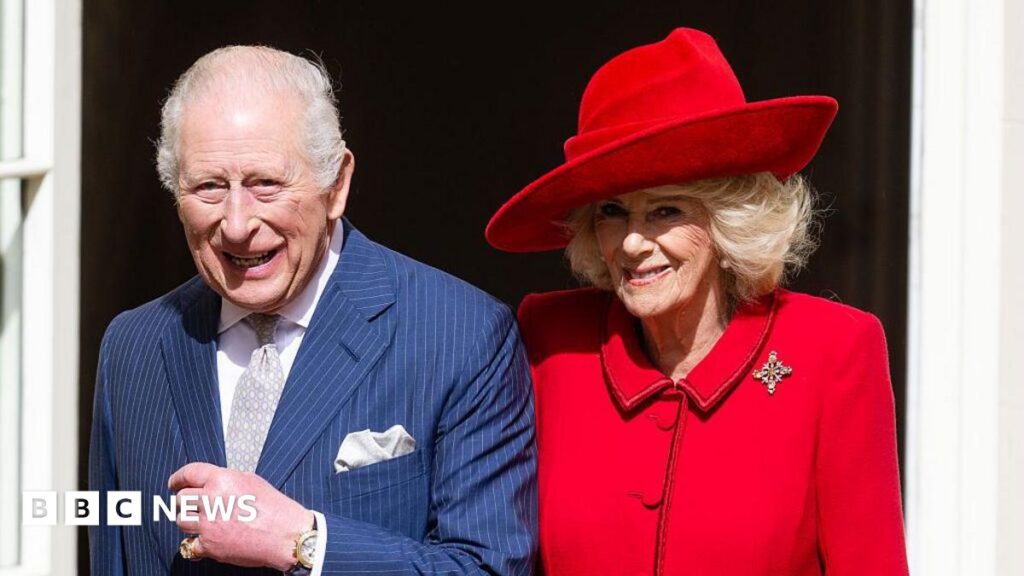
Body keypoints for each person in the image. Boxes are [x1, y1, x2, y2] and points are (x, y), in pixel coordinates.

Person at [89, 46, 537, 575]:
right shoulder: (134, 345)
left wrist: (304, 543)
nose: (236, 223)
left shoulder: (461, 334)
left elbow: (487, 568)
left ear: (336, 184)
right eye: (208, 187)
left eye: (266, 184)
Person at [486, 28, 908, 575]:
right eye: (613, 211)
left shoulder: (832, 350)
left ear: (729, 219)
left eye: (665, 211)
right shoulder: (550, 341)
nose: (633, 243)